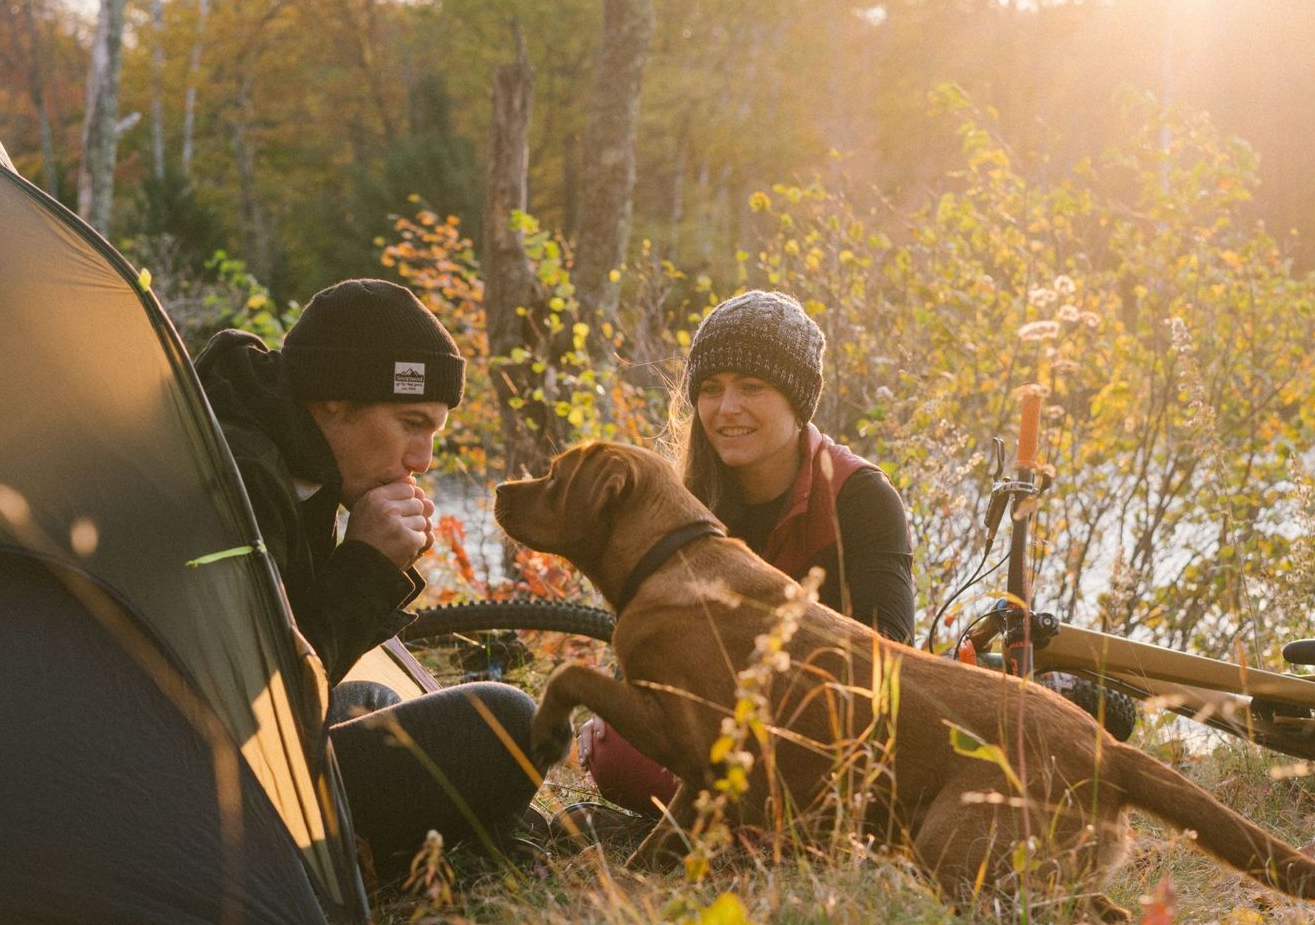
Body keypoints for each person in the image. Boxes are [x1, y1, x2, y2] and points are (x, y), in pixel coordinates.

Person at [195, 278, 546, 878]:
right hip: (210, 796)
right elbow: (258, 697)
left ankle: (473, 848)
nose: (423, 458)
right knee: (509, 724)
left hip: (242, 759)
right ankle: (449, 854)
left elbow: (304, 658)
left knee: (374, 700)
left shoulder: (296, 465)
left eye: (433, 431)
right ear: (334, 398)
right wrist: (365, 566)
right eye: (412, 422)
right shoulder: (240, 476)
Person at [577, 289, 915, 818]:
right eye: (711, 389)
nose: (726, 408)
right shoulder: (683, 494)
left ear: (797, 399)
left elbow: (888, 652)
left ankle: (740, 829)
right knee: (613, 746)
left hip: (822, 732)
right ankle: (738, 828)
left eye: (751, 387)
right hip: (719, 726)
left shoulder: (861, 496)